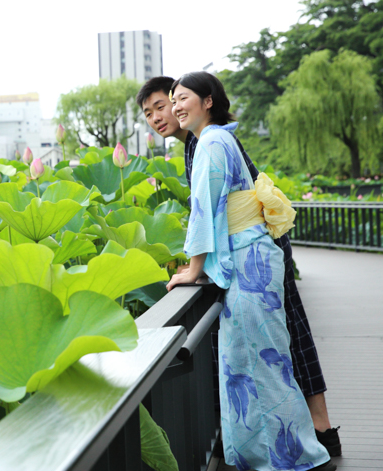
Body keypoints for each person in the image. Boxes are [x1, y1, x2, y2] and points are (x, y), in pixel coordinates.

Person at [137, 76, 341, 458]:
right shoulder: (211, 138)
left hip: (251, 254)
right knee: (269, 351)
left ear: (206, 101)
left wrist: (195, 267)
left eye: (169, 103)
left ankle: (307, 442)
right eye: (151, 112)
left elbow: (205, 211)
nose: (164, 114)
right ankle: (289, 443)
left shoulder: (208, 141)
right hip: (254, 250)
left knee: (272, 352)